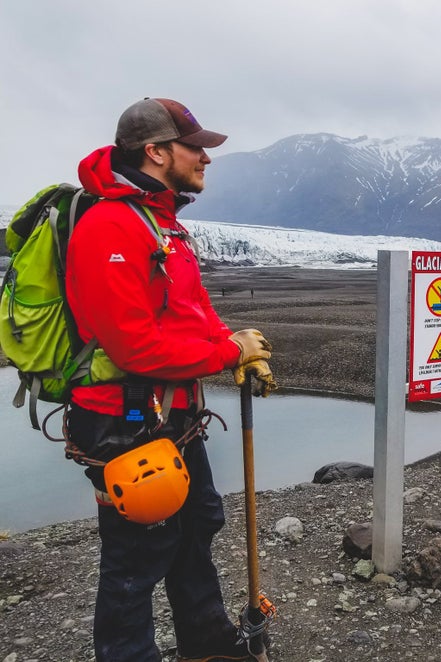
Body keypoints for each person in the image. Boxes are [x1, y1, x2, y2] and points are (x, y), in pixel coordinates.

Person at [65, 98, 278, 661]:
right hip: (123, 418)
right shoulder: (110, 226)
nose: (206, 158)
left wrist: (235, 347)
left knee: (194, 529)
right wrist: (225, 351)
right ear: (156, 152)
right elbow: (133, 346)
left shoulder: (161, 222)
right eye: (195, 148)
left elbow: (193, 311)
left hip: (173, 414)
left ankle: (207, 643)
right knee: (136, 559)